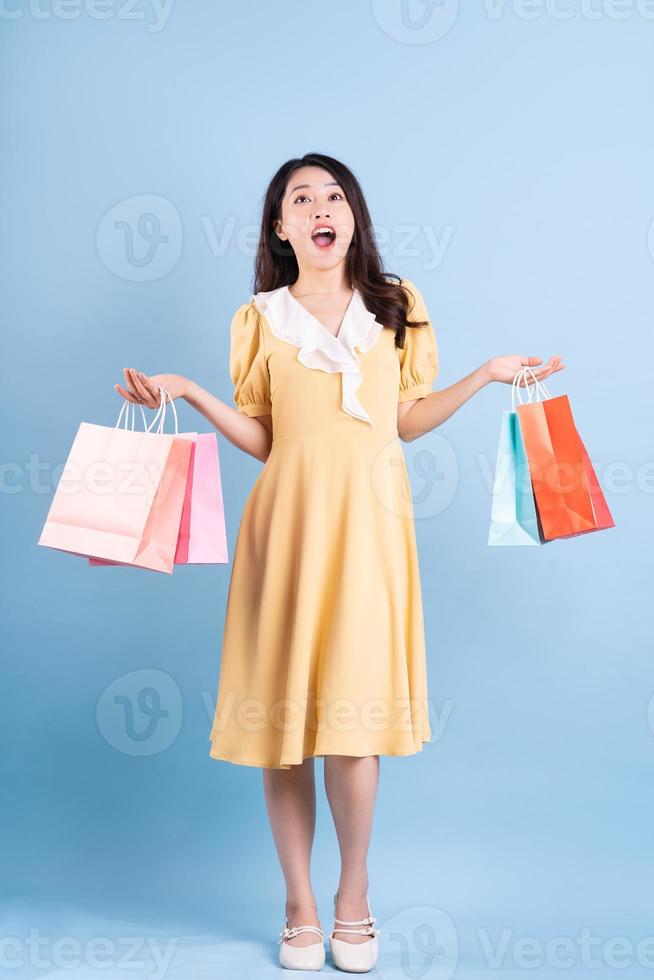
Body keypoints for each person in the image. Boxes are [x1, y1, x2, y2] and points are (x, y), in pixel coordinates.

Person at [115, 153, 564, 973]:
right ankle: (299, 903)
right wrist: (190, 391)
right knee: (283, 729)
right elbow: (265, 439)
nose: (321, 206)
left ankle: (355, 895)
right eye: (300, 198)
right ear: (281, 228)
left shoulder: (397, 307)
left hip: (371, 533)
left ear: (351, 217)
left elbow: (405, 419)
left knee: (353, 729)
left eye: (334, 195)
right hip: (285, 530)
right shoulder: (258, 319)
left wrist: (488, 376)